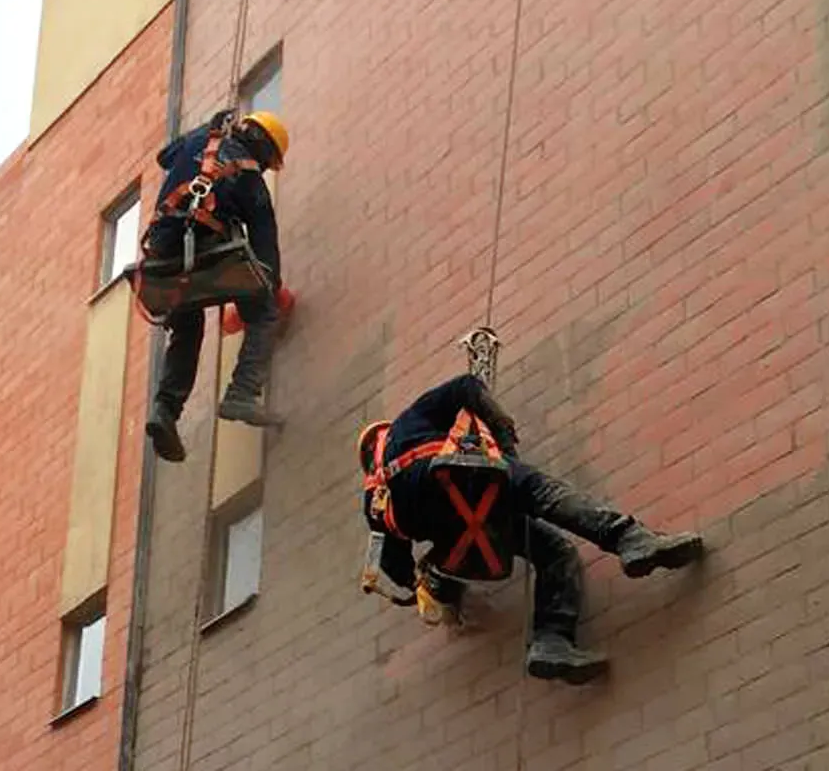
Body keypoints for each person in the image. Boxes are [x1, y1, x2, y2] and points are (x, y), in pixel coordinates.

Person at [358, 374, 704, 684]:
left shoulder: (374, 500)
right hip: (458, 478)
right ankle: (630, 539)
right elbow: (466, 386)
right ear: (382, 434)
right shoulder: (407, 422)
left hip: (457, 530)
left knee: (553, 551)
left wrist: (442, 590)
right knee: (541, 492)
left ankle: (552, 642)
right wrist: (504, 439)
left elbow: (394, 567)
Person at [143, 108, 290, 463]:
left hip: (163, 253)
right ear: (265, 151)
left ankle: (165, 409)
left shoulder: (198, 141)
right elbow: (265, 240)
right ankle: (241, 393)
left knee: (188, 327)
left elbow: (164, 157)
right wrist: (271, 289)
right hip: (209, 254)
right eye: (269, 161)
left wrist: (207, 127)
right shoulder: (250, 177)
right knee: (264, 311)